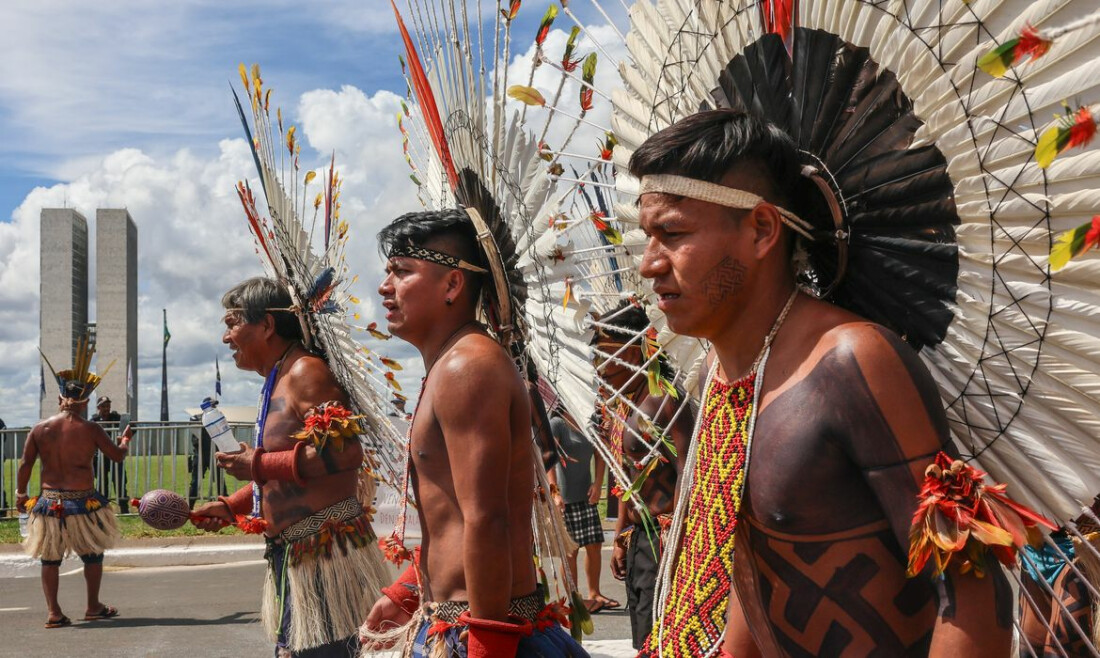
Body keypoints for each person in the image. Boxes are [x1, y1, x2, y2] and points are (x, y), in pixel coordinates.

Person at [632, 109, 1016, 656]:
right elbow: (750, 576)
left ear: (762, 230)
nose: (650, 264)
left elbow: (971, 586)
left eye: (673, 233)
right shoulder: (716, 375)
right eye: (649, 236)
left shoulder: (854, 362)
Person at [361, 209, 586, 657]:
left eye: (402, 272)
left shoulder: (468, 366)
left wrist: (487, 646)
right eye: (387, 272)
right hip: (457, 624)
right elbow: (458, 517)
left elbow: (488, 518)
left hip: (483, 632)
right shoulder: (452, 363)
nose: (385, 287)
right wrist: (407, 591)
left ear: (452, 285)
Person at [191, 277, 386, 658]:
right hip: (295, 556)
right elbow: (284, 474)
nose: (226, 338)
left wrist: (258, 462)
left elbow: (345, 454)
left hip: (325, 558)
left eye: (232, 323)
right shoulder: (277, 378)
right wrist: (233, 505)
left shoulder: (305, 373)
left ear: (266, 325)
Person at [589, 302, 693, 650]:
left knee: (660, 638)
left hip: (666, 541)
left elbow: (688, 470)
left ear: (633, 354)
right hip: (640, 540)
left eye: (604, 356)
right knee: (643, 636)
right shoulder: (624, 405)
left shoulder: (665, 398)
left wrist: (679, 541)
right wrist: (620, 536)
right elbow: (625, 478)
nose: (598, 368)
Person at [17, 355, 131, 629]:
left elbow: (26, 464)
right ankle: (93, 606)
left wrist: (21, 494)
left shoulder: (40, 429)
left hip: (49, 503)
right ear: (86, 402)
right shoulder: (91, 429)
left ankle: (54, 612)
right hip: (83, 502)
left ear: (59, 399)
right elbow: (116, 456)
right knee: (93, 554)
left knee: (50, 558)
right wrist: (125, 440)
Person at [546, 408, 615, 614]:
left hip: (587, 496)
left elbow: (599, 453)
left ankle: (595, 593)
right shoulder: (557, 424)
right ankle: (574, 601)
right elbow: (549, 459)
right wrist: (555, 492)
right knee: (570, 552)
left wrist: (598, 482)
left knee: (594, 545)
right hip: (566, 500)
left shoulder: (590, 420)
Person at [91, 396, 129, 513]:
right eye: (103, 406)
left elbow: (129, 421)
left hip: (115, 455)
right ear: (98, 407)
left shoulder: (116, 417)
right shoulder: (94, 420)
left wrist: (121, 435)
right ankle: (103, 510)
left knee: (120, 482)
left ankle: (124, 509)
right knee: (102, 484)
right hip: (100, 458)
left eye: (107, 405)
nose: (106, 408)